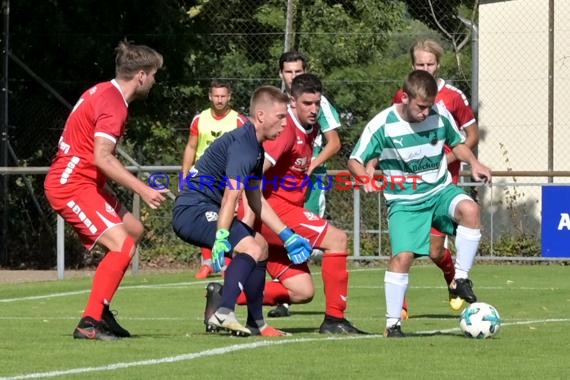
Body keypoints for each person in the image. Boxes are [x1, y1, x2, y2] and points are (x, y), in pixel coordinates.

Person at [347, 70, 491, 337]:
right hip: (405, 201)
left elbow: (457, 144)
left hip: (439, 190)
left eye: (429, 107)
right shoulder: (383, 124)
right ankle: (393, 324)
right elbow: (355, 159)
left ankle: (459, 279)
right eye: (421, 107)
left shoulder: (439, 113)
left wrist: (474, 162)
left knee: (470, 209)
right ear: (404, 97)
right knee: (402, 258)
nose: (426, 113)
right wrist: (363, 177)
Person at [44, 40, 167, 341]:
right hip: (70, 185)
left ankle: (103, 308)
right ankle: (89, 321)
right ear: (140, 75)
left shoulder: (104, 91)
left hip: (85, 182)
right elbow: (102, 156)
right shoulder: (113, 104)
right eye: (153, 74)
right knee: (122, 245)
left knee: (133, 230)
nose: (154, 80)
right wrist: (142, 189)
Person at [172, 85, 312, 337]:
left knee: (261, 248)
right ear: (260, 116)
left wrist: (286, 235)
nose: (284, 123)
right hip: (192, 210)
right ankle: (224, 311)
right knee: (251, 247)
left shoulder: (256, 147)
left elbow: (255, 198)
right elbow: (230, 196)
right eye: (280, 117)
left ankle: (257, 323)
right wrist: (221, 237)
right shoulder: (244, 146)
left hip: (206, 208)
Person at [238, 73, 366, 334]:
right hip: (277, 210)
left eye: (317, 104)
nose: (314, 109)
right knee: (338, 239)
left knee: (302, 291)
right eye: (307, 103)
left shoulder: (311, 129)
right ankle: (334, 319)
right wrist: (246, 222)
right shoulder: (285, 133)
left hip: (287, 211)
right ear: (292, 103)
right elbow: (251, 175)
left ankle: (227, 294)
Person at [366, 38, 480, 317]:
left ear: (438, 64)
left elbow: (471, 136)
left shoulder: (453, 97)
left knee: (435, 250)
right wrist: (370, 166)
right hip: (410, 190)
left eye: (430, 64)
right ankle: (399, 311)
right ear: (412, 66)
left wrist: (451, 158)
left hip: (442, 183)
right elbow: (388, 136)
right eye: (420, 64)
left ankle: (455, 279)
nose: (426, 68)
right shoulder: (402, 97)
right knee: (404, 252)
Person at [266, 51, 342, 318]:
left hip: (308, 184)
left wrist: (311, 164)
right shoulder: (277, 111)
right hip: (275, 196)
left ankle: (237, 291)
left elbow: (335, 141)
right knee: (331, 239)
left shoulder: (316, 105)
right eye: (288, 72)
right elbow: (256, 164)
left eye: (298, 71)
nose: (293, 76)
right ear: (281, 75)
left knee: (304, 266)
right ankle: (332, 317)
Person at [181, 80, 248, 280]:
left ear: (229, 97)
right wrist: (184, 176)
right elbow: (191, 147)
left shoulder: (239, 121)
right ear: (210, 96)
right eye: (216, 96)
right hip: (203, 176)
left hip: (228, 176)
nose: (219, 100)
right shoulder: (199, 119)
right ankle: (207, 264)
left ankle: (226, 261)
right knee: (204, 216)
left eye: (223, 96)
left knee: (228, 216)